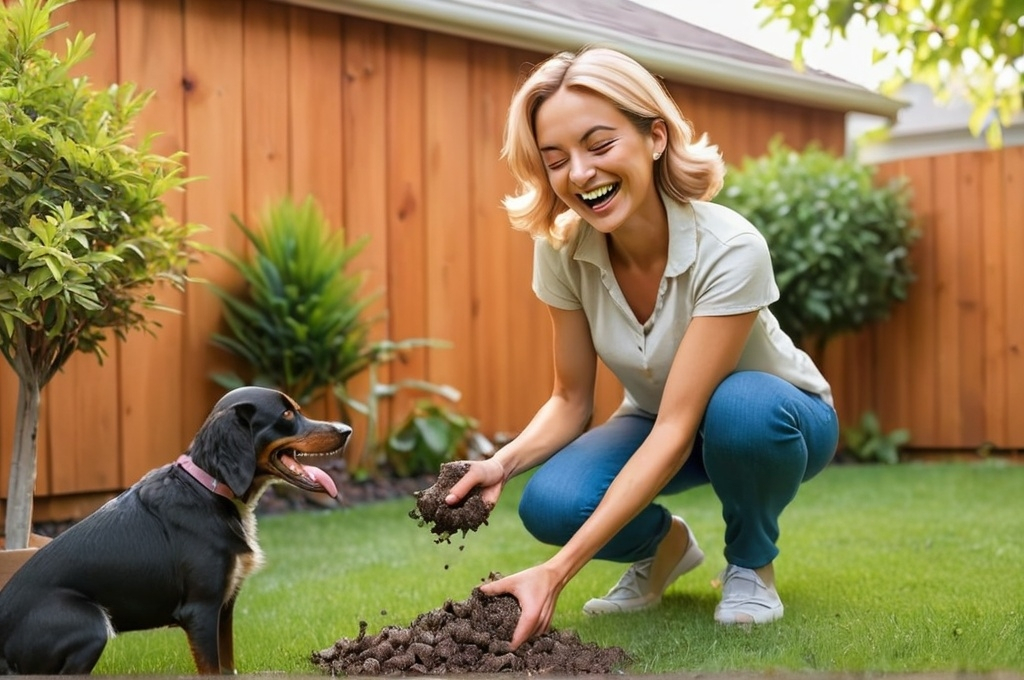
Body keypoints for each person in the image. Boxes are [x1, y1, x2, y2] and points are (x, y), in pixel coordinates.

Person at [444, 46, 839, 649]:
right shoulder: (562, 251)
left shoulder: (731, 246)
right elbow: (571, 399)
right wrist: (502, 463)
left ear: (655, 136)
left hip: (778, 419)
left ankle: (751, 564)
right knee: (550, 504)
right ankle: (664, 548)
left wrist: (558, 573)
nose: (579, 174)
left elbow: (684, 422)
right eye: (556, 160)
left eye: (599, 146)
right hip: (658, 420)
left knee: (738, 408)